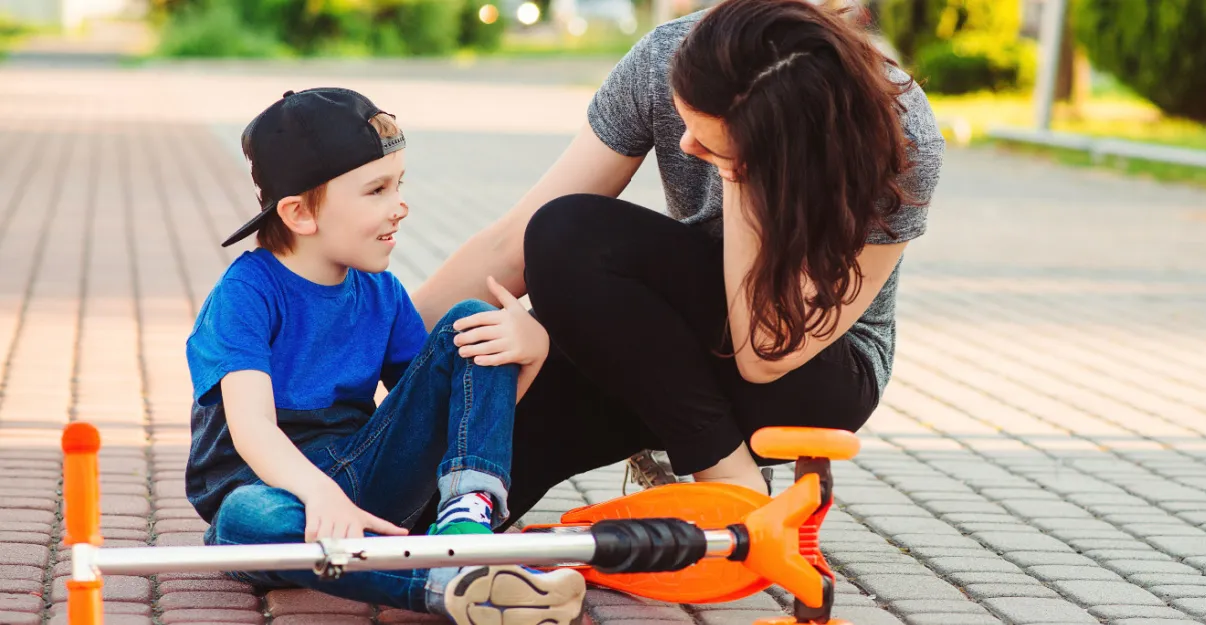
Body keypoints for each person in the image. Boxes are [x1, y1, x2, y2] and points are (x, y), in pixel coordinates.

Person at [410, 0, 945, 528]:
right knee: (415, 516)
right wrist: (382, 353)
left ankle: (732, 486)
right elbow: (512, 244)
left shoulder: (900, 133)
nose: (686, 146)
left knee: (574, 236)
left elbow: (766, 354)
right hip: (661, 350)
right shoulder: (674, 55)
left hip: (809, 370)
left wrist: (748, 178)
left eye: (709, 142)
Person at [182, 87, 586, 624]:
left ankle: (467, 523)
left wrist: (532, 352)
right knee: (250, 518)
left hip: (363, 471)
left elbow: (452, 409)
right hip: (272, 488)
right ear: (301, 213)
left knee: (473, 320)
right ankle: (449, 585)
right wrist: (322, 497)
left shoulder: (382, 291)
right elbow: (252, 430)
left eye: (400, 184)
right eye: (376, 190)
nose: (401, 205)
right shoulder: (246, 294)